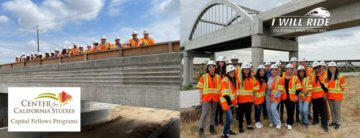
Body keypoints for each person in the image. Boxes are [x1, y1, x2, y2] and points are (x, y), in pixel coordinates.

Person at [196, 60, 221, 137]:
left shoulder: (218, 77)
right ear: (208, 68)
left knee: (213, 113)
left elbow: (220, 88)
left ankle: (211, 127)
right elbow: (200, 87)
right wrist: (200, 98)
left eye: (213, 66)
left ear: (215, 68)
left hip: (215, 98)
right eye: (210, 67)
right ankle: (201, 129)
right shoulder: (204, 76)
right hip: (206, 98)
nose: (212, 68)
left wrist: (220, 98)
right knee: (204, 113)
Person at [236, 62, 258, 133]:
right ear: (242, 70)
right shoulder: (239, 77)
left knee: (248, 113)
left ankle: (249, 125)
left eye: (248, 69)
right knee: (240, 114)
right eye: (245, 69)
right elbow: (235, 88)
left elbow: (255, 88)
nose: (246, 70)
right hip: (241, 100)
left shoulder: (253, 78)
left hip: (249, 100)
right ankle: (240, 127)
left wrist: (254, 97)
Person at [325, 62, 346, 129]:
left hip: (337, 97)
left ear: (336, 68)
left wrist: (338, 93)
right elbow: (326, 87)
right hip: (330, 96)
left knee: (337, 109)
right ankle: (333, 121)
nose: (332, 68)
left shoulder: (340, 76)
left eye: (334, 67)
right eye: (331, 67)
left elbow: (343, 87)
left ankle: (338, 123)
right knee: (332, 109)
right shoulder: (327, 77)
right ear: (329, 68)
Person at [281, 64, 302, 130]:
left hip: (293, 97)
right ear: (286, 70)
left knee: (291, 110)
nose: (289, 71)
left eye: (291, 69)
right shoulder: (283, 78)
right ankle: (290, 120)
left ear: (293, 70)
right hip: (285, 96)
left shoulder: (295, 78)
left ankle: (290, 123)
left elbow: (298, 88)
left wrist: (296, 96)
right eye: (288, 69)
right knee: (288, 110)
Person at [220, 65, 238, 138]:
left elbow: (234, 93)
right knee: (230, 118)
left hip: (232, 102)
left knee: (228, 118)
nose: (232, 72)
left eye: (233, 71)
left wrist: (235, 103)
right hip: (226, 102)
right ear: (227, 72)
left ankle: (228, 131)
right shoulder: (225, 80)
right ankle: (224, 134)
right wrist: (230, 103)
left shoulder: (234, 80)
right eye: (230, 71)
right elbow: (225, 94)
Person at [311, 61, 329, 132]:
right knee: (315, 110)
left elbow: (327, 87)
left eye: (318, 67)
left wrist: (325, 95)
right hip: (314, 96)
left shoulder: (324, 75)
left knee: (322, 111)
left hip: (321, 96)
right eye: (315, 68)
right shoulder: (312, 76)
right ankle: (315, 120)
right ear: (314, 69)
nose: (317, 69)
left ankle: (324, 125)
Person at [266, 64, 284, 129]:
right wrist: (268, 88)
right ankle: (272, 121)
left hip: (276, 96)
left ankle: (278, 123)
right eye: (272, 70)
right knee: (269, 109)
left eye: (275, 70)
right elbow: (268, 87)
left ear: (277, 71)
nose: (274, 71)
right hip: (268, 95)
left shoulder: (280, 79)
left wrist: (274, 97)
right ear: (270, 71)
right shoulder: (269, 78)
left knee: (273, 108)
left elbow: (280, 90)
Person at [215, 56, 226, 126]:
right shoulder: (215, 70)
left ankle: (221, 119)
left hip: (223, 90)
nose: (221, 63)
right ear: (218, 63)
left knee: (221, 106)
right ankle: (215, 120)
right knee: (216, 107)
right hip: (216, 90)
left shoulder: (225, 71)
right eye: (220, 62)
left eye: (222, 62)